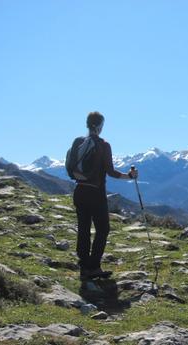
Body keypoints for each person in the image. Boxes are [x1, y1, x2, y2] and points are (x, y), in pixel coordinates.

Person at [72, 111, 137, 280]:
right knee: (102, 229)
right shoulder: (103, 145)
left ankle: (84, 266)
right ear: (100, 126)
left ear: (87, 124)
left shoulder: (78, 142)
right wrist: (129, 176)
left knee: (83, 229)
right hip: (96, 192)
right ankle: (94, 267)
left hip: (79, 191)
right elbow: (111, 172)